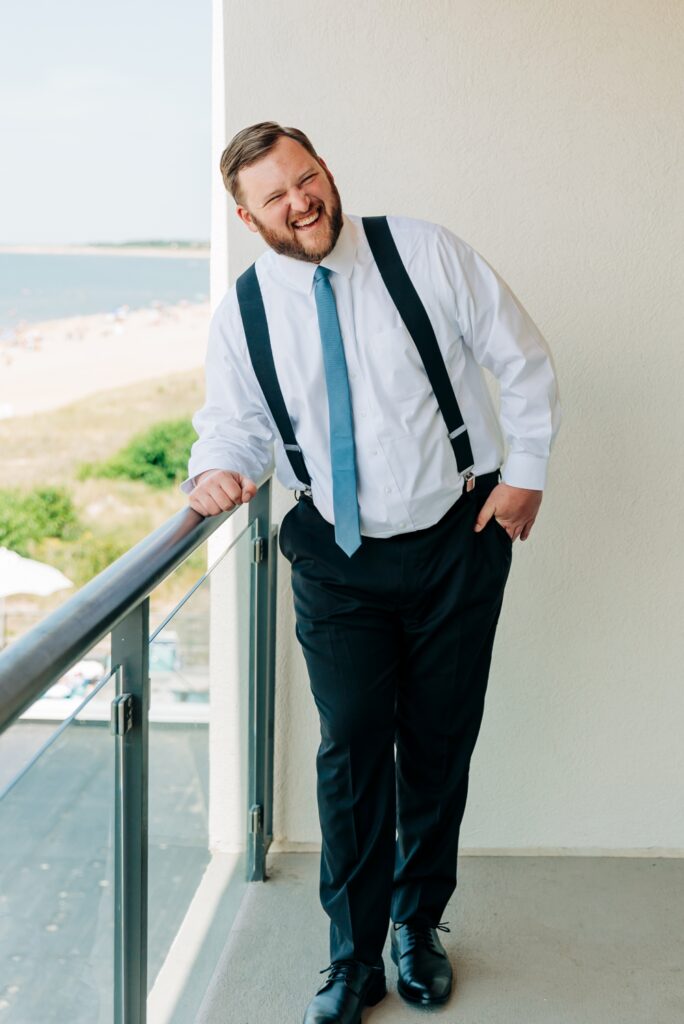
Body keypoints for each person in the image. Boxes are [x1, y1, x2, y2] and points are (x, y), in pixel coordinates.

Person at [182, 121, 561, 1024]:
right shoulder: (242, 312)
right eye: (275, 195)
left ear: (326, 171)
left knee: (436, 743)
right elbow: (236, 424)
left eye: (306, 178)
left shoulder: (422, 251)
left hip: (454, 540)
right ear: (247, 214)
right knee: (351, 746)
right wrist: (213, 470)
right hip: (335, 557)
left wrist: (526, 476)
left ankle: (416, 926)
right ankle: (349, 958)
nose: (301, 201)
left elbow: (523, 358)